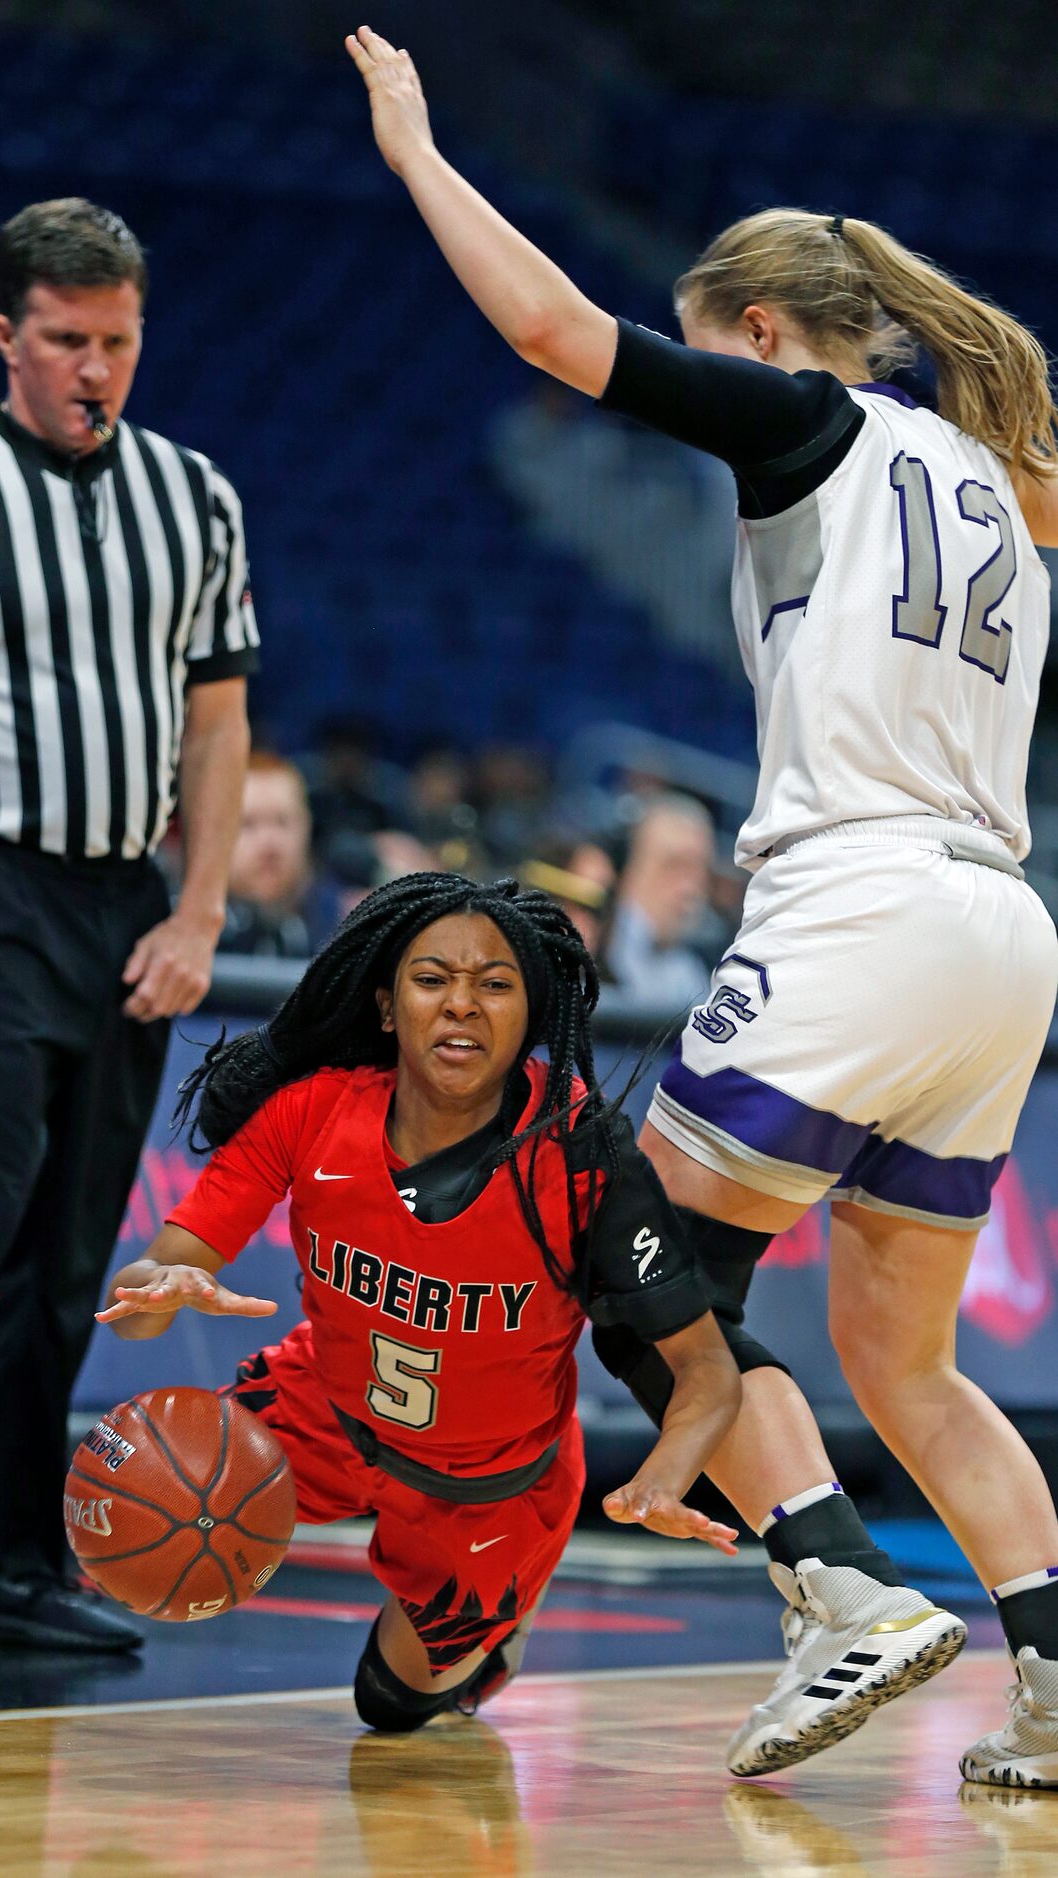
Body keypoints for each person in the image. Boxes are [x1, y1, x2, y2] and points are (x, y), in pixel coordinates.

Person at [345, 29, 1058, 1785]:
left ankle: (839, 1585)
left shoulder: (804, 417)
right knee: (907, 1359)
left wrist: (419, 152)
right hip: (1004, 925)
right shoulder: (998, 481)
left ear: (754, 331)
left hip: (867, 901)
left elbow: (546, 330)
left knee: (625, 1256)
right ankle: (1050, 1675)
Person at [96, 872, 741, 1728]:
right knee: (144, 1523)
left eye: (495, 985)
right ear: (389, 1007)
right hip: (325, 1415)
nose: (462, 1006)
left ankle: (499, 1631)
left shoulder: (582, 1153)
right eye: (433, 980)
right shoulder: (310, 1114)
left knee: (390, 1705)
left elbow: (707, 1369)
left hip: (492, 1484)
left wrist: (662, 1479)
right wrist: (159, 1289)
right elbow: (139, 1304)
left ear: (532, 1012)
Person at [0, 197, 256, 1652]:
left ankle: (21, 1559)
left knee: (70, 1258)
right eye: (66, 339)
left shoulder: (196, 497)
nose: (96, 367)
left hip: (124, 903)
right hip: (1, 877)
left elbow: (217, 724)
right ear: (6, 339)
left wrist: (203, 909)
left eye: (119, 340)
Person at [219, 750, 343, 957]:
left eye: (282, 822)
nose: (270, 844)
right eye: (248, 824)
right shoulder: (175, 934)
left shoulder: (348, 925)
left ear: (307, 828)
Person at [605, 794, 727, 1004]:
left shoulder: (691, 972)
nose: (691, 889)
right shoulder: (592, 947)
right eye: (674, 866)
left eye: (702, 869)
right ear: (626, 870)